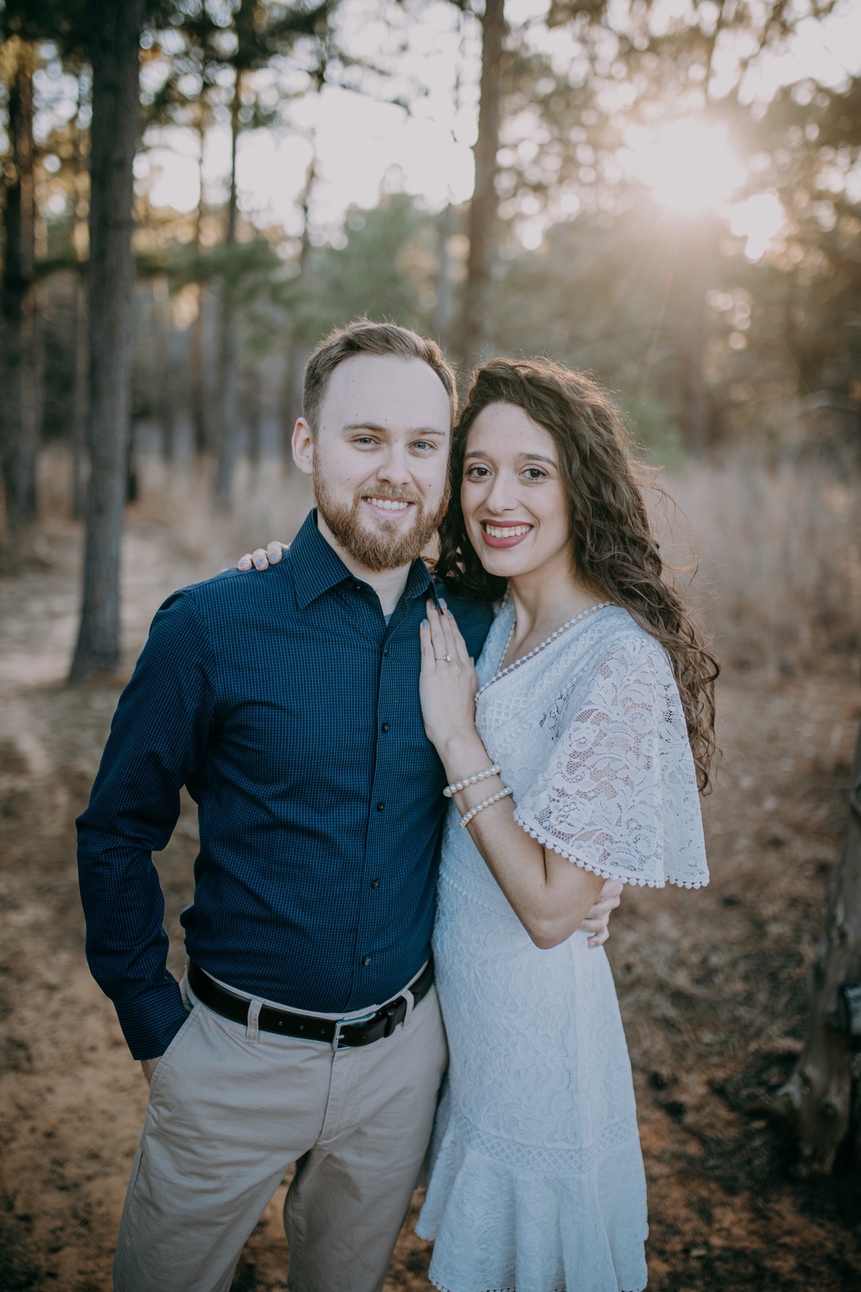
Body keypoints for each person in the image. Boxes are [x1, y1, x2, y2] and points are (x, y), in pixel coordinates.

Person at [76, 321, 620, 1292]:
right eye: (364, 438)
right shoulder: (210, 625)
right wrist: (154, 1023)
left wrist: (596, 879)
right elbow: (117, 828)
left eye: (422, 445)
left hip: (402, 1067)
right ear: (305, 445)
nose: (395, 472)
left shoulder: (486, 625)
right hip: (229, 1059)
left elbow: (552, 773)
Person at [413, 357, 716, 1292]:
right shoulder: (492, 614)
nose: (496, 497)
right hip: (466, 1029)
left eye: (532, 471)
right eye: (476, 470)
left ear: (580, 484)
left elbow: (552, 913)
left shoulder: (615, 660)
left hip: (536, 1046)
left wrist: (459, 741)